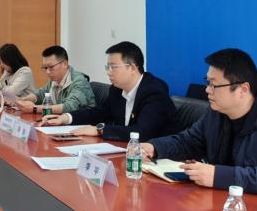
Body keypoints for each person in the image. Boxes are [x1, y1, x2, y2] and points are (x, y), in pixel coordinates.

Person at [143, 48, 257, 196]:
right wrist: (154, 148)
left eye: (214, 85)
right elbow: (188, 141)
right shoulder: (217, 112)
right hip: (230, 205)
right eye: (207, 83)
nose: (207, 90)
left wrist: (220, 176)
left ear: (243, 89)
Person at [40, 41, 178, 141]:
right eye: (107, 67)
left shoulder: (154, 92)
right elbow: (99, 113)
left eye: (113, 67)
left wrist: (99, 130)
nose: (108, 72)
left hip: (158, 160)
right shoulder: (116, 89)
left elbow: (141, 132)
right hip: (127, 150)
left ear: (132, 67)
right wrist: (66, 117)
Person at [14, 45, 94, 115]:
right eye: (45, 68)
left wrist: (34, 108)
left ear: (65, 64)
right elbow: (41, 93)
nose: (47, 72)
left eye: (51, 67)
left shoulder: (79, 81)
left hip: (82, 124)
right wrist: (24, 100)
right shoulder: (54, 79)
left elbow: (69, 107)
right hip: (61, 122)